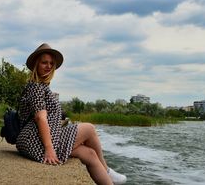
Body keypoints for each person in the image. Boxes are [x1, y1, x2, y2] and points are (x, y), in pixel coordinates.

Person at [16, 43, 127, 185]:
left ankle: (108, 179)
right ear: (36, 65)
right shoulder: (36, 86)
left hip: (39, 139)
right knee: (89, 128)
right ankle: (106, 170)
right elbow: (40, 117)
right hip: (36, 142)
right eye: (44, 62)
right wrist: (49, 149)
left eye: (51, 63)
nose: (49, 66)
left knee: (90, 155)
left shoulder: (41, 87)